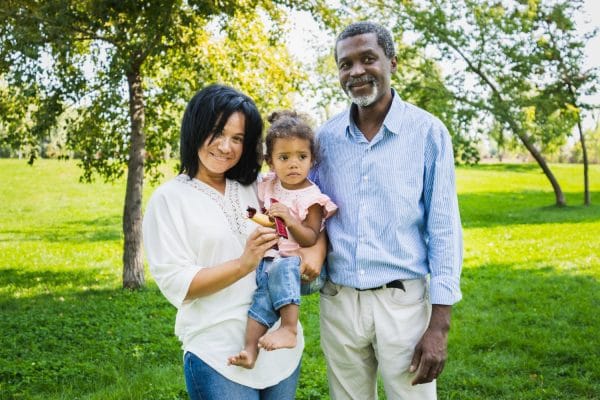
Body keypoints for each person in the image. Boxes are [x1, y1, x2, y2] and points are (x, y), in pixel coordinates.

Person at [310, 21, 463, 399]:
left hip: (404, 305)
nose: (356, 71)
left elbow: (444, 229)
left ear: (392, 62)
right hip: (339, 301)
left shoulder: (428, 133)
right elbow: (313, 218)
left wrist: (439, 325)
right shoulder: (324, 140)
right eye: (345, 64)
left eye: (367, 59)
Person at [142, 84, 324, 400]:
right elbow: (178, 283)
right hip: (217, 354)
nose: (226, 147)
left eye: (237, 138)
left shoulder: (261, 186)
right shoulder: (170, 199)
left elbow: (313, 219)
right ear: (195, 128)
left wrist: (317, 254)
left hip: (280, 354)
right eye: (217, 132)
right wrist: (243, 264)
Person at [228, 111, 337, 369]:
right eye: (284, 157)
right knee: (261, 302)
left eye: (302, 157)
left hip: (300, 267)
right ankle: (250, 351)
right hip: (272, 263)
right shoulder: (270, 186)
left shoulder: (312, 197)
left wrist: (290, 220)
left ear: (312, 159)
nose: (293, 164)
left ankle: (289, 328)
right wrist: (253, 215)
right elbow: (268, 219)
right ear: (270, 161)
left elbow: (310, 238)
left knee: (284, 265)